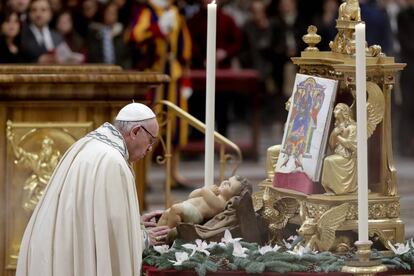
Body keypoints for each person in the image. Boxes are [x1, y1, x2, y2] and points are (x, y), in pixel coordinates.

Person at [16, 103, 170, 276]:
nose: (150, 148)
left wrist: (134, 223)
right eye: (151, 140)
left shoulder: (88, 144)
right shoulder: (113, 161)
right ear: (135, 132)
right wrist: (143, 239)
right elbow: (112, 235)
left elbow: (90, 216)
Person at [157, 175, 250, 229]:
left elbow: (205, 193)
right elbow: (192, 195)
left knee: (175, 209)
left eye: (229, 185)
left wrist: (206, 190)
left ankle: (168, 233)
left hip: (195, 214)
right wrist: (205, 190)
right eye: (227, 180)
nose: (225, 183)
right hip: (187, 206)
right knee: (166, 213)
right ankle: (158, 232)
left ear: (233, 197)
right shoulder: (214, 193)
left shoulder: (222, 203)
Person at [321, 103, 357, 195]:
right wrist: (334, 133)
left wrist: (338, 136)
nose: (334, 111)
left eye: (337, 109)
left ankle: (340, 189)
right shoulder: (337, 127)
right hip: (339, 154)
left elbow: (350, 145)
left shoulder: (352, 127)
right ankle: (330, 189)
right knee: (327, 160)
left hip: (348, 157)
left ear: (344, 112)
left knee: (329, 160)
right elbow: (332, 146)